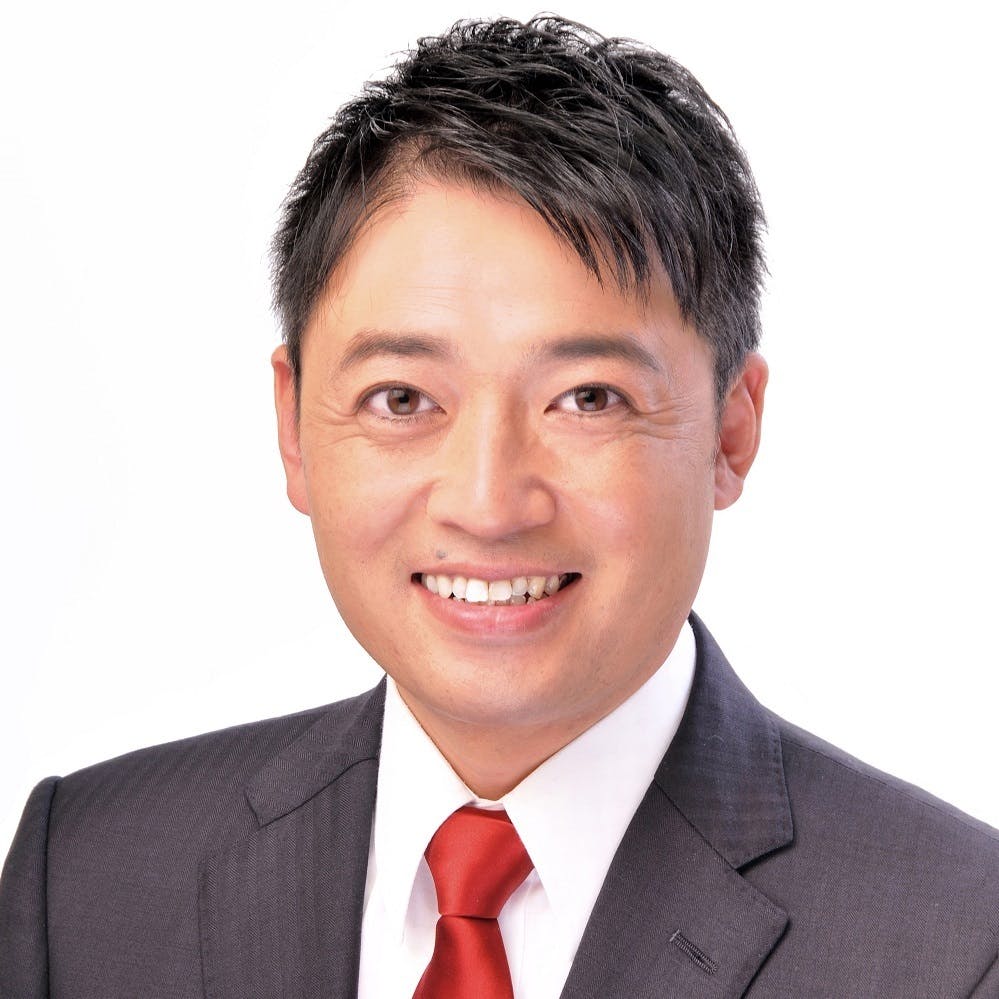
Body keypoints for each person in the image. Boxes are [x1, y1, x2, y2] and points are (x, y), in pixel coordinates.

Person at [1, 14, 997, 998]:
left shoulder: (955, 947)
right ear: (294, 427)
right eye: (402, 400)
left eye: (588, 399)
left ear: (730, 432)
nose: (486, 504)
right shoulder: (83, 879)